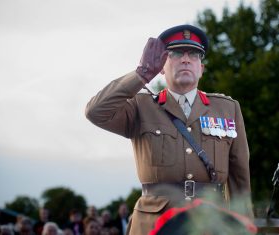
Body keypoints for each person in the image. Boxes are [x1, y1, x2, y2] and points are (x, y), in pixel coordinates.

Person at [85, 24, 253, 234]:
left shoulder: (227, 108)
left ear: (201, 68)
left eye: (194, 54)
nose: (185, 59)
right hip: (154, 224)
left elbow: (240, 179)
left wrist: (244, 227)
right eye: (175, 53)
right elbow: (95, 112)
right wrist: (141, 74)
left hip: (210, 224)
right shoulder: (140, 107)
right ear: (162, 66)